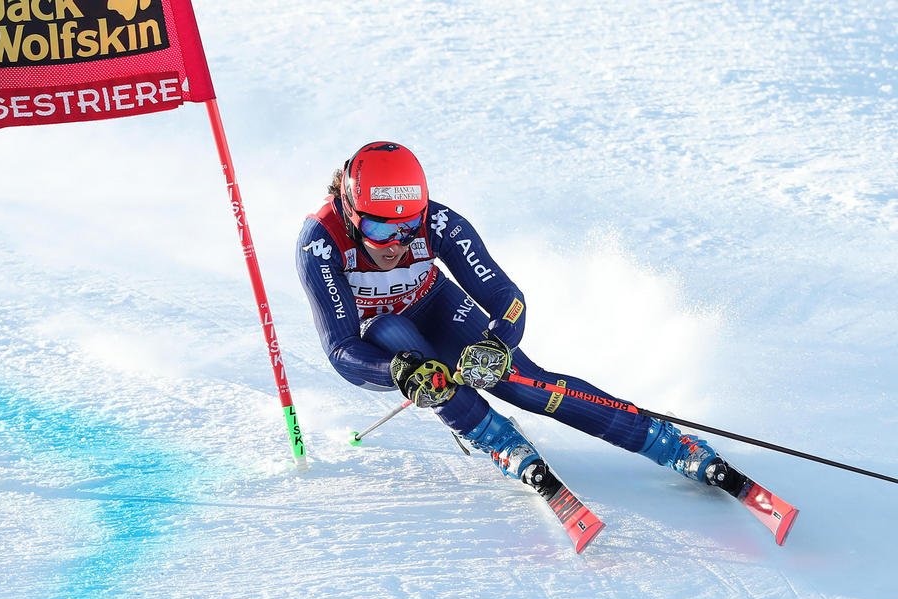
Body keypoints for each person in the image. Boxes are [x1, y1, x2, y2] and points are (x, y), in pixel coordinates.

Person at [296, 141, 745, 500]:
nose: (394, 243)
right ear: (351, 211)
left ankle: (666, 442)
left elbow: (507, 299)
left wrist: (499, 341)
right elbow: (340, 348)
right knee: (410, 351)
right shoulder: (320, 242)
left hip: (434, 301)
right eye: (378, 230)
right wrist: (397, 371)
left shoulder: (439, 221)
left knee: (522, 382)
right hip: (377, 337)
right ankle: (496, 438)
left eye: (408, 227)